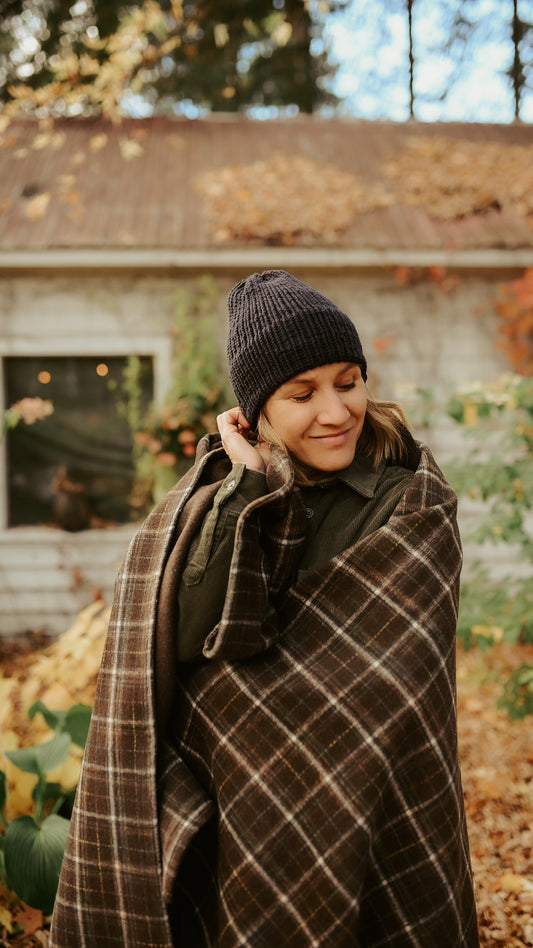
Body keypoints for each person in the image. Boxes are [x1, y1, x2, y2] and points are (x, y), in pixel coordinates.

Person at [50, 270, 479, 947]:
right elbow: (185, 636)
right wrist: (247, 483)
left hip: (368, 791)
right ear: (256, 410)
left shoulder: (408, 504)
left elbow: (390, 683)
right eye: (301, 394)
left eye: (347, 381)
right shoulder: (222, 494)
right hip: (239, 798)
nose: (336, 411)